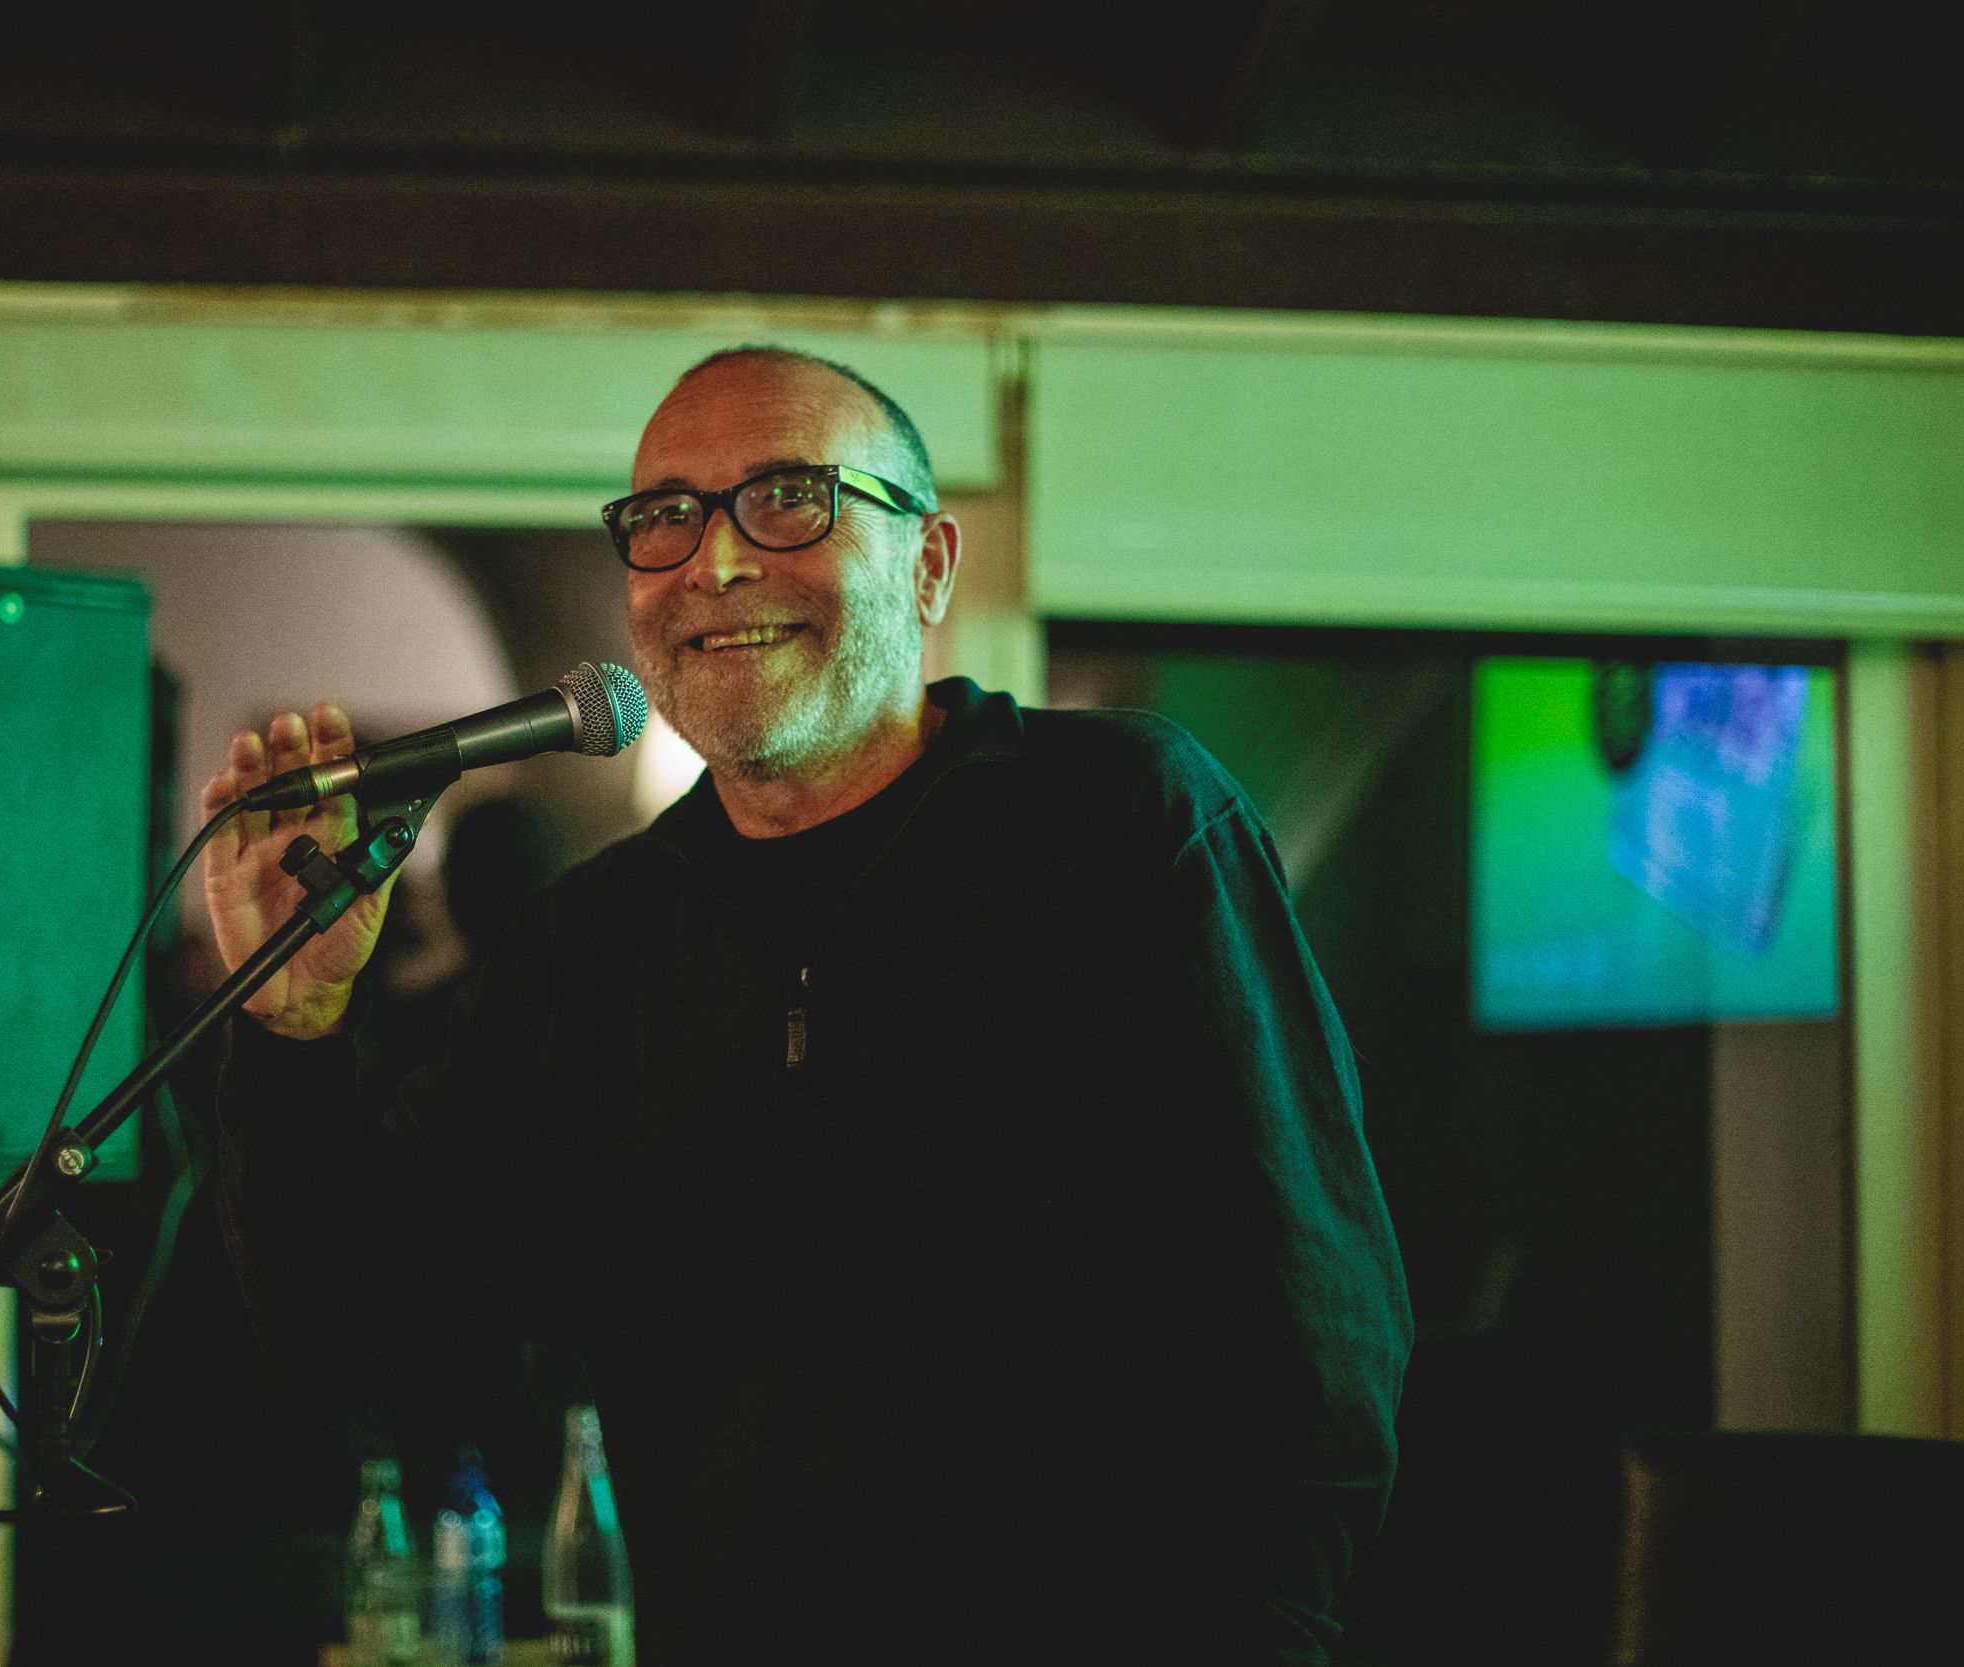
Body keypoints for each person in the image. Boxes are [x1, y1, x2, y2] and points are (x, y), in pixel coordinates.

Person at [202, 347, 1412, 1664]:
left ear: (929, 565)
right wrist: (292, 1026)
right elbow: (344, 1328)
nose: (715, 562)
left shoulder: (1123, 818)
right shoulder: (588, 950)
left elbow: (1313, 1323)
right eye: (665, 517)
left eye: (789, 499)